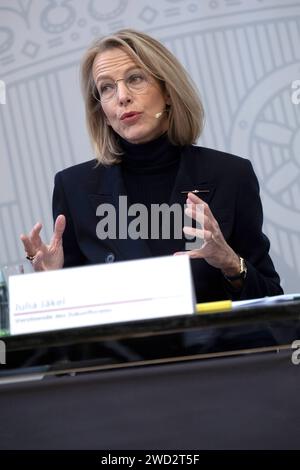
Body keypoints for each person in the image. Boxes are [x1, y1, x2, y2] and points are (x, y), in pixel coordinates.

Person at [20, 29, 283, 303]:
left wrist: (230, 262)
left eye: (135, 78)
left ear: (168, 91)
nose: (122, 96)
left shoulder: (231, 176)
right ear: (103, 113)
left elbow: (272, 303)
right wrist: (51, 282)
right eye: (106, 88)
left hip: (214, 346)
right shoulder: (73, 188)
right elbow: (72, 326)